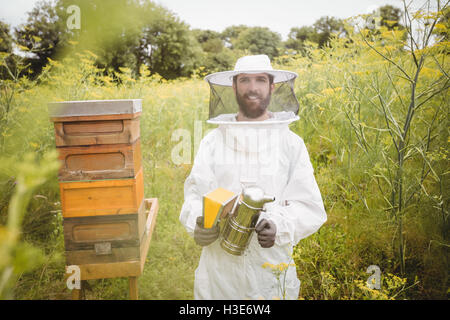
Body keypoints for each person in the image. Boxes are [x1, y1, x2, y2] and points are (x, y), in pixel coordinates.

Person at [179, 54, 327, 300]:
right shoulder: (212, 143)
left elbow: (309, 207)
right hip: (219, 273)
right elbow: (195, 196)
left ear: (271, 86)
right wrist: (198, 220)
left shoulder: (291, 144)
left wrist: (280, 226)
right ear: (234, 86)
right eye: (245, 80)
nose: (252, 87)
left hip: (270, 269)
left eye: (260, 80)